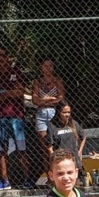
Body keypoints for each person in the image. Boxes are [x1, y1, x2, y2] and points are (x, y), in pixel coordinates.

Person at [0, 48, 29, 191]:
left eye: (3, 56)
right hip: (0, 117)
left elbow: (20, 92)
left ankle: (27, 179)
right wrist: (11, 92)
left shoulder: (17, 73)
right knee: (2, 150)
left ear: (8, 58)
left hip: (17, 117)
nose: (1, 59)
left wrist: (3, 92)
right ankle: (5, 181)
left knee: (21, 148)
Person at [30, 58, 68, 186]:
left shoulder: (57, 81)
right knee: (45, 147)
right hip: (41, 115)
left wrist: (45, 99)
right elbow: (35, 100)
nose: (48, 68)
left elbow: (61, 98)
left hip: (54, 113)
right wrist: (52, 99)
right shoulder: (37, 82)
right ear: (41, 67)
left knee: (57, 144)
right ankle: (49, 175)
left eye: (50, 66)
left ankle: (59, 172)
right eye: (45, 66)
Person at [49, 102, 85, 172]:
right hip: (61, 160)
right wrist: (54, 161)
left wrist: (80, 151)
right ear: (59, 113)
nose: (67, 115)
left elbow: (83, 136)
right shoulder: (52, 126)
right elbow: (50, 147)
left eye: (69, 112)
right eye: (64, 112)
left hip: (74, 159)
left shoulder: (73, 123)